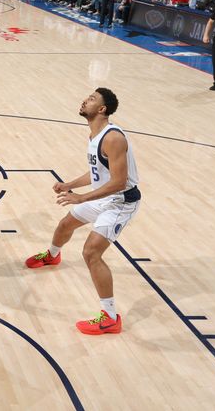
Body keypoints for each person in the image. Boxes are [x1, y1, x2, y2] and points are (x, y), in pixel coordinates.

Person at [25, 88, 141, 335]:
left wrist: (81, 197)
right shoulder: (94, 136)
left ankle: (110, 317)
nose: (84, 100)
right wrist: (70, 185)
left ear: (102, 109)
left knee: (91, 252)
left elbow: (119, 181)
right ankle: (53, 255)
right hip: (104, 195)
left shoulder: (113, 138)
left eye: (91, 99)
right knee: (65, 224)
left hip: (121, 201)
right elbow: (99, 173)